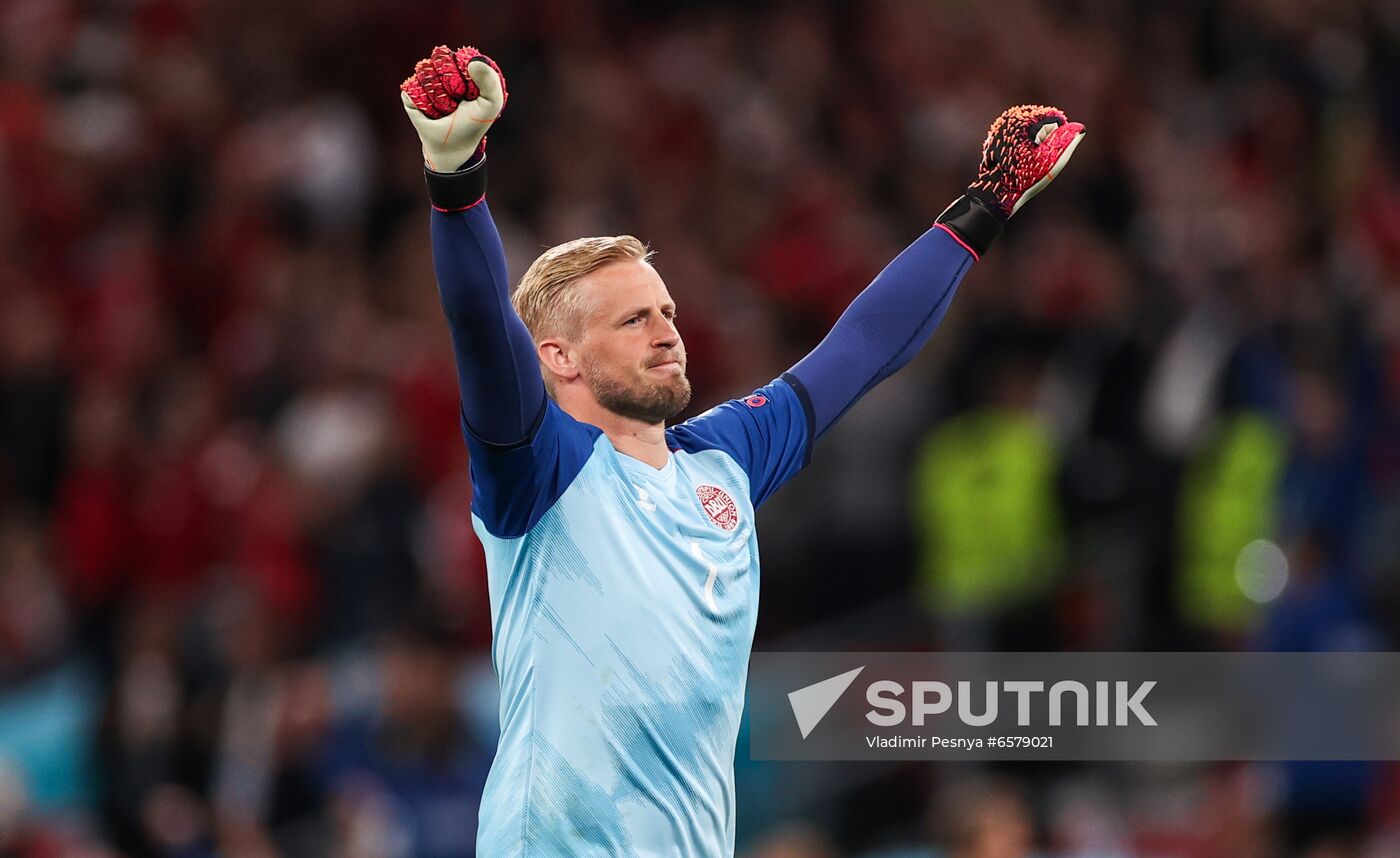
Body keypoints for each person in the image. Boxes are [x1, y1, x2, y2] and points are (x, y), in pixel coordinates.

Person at [398, 44, 1084, 857]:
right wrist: (457, 176)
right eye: (634, 320)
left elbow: (861, 347)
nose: (669, 332)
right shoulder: (537, 472)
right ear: (558, 357)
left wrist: (987, 203)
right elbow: (482, 328)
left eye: (668, 310)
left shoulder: (722, 459)